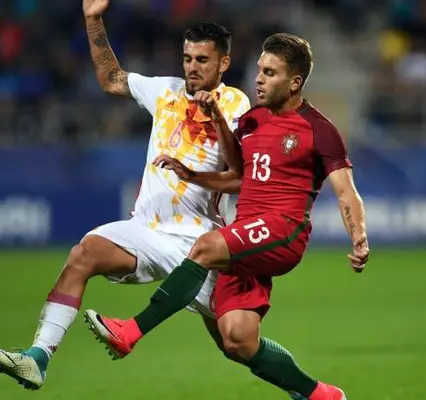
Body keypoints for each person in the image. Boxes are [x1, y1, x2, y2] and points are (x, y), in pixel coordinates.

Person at [0, 0, 250, 390]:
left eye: (202, 60)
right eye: (187, 58)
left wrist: (218, 118)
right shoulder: (166, 91)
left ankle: (305, 388)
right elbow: (112, 79)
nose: (192, 67)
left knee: (236, 344)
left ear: (223, 63)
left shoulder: (236, 104)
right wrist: (93, 20)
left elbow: (239, 171)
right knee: (83, 254)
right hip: (145, 230)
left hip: (199, 246)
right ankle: (37, 358)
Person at [84, 33, 369, 400]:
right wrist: (193, 173)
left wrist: (358, 237)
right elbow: (237, 176)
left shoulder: (319, 129)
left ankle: (131, 332)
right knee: (237, 339)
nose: (259, 79)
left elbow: (346, 191)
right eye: (260, 70)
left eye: (270, 73)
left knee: (205, 247)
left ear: (294, 82)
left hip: (284, 229)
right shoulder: (250, 121)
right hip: (247, 234)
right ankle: (321, 395)